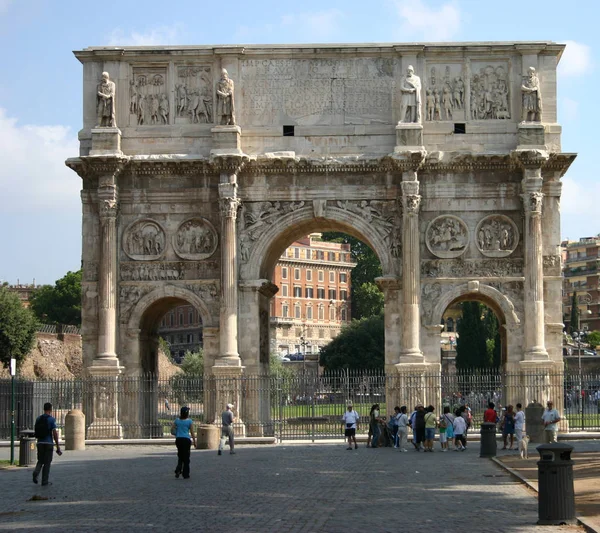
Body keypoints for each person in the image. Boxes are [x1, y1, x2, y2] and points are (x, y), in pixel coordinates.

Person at [32, 402, 62, 486]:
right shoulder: (51, 419)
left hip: (40, 442)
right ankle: (44, 481)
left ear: (44, 409)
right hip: (48, 443)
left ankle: (36, 472)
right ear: (50, 409)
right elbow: (55, 434)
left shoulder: (38, 419)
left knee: (40, 460)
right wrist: (57, 446)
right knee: (47, 462)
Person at [172, 406, 196, 479]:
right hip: (186, 440)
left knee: (180, 455)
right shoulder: (189, 421)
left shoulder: (177, 420)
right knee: (186, 457)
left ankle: (178, 469)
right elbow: (192, 432)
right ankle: (185, 473)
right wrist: (194, 441)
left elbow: (172, 429)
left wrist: (177, 433)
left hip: (179, 439)